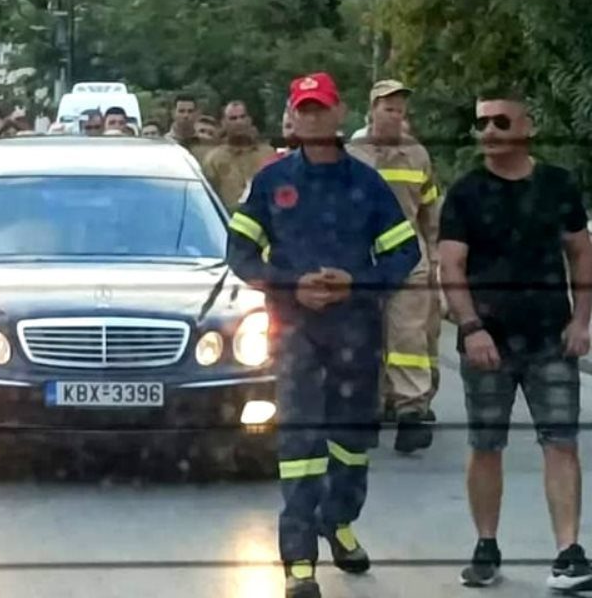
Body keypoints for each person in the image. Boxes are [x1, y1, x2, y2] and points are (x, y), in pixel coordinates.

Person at [226, 72, 420, 598]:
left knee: (352, 445)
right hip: (295, 332)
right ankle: (299, 563)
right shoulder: (270, 183)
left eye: (321, 109)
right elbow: (239, 253)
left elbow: (406, 253)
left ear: (338, 115)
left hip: (355, 330)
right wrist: (290, 285)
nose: (312, 118)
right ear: (292, 116)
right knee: (301, 442)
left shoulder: (366, 183)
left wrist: (358, 283)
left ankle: (338, 521)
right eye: (303, 109)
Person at [438, 87, 592, 591]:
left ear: (527, 127)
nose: (488, 132)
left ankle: (569, 553)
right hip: (489, 342)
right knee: (486, 446)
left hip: (550, 335)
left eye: (500, 122)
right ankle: (486, 546)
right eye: (481, 123)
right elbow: (451, 266)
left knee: (561, 443)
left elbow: (581, 254)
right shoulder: (465, 192)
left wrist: (581, 321)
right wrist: (471, 327)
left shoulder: (557, 186)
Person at [346, 80, 441, 454]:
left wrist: (435, 257)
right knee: (363, 335)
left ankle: (411, 412)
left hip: (410, 257)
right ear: (372, 110)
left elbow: (430, 210)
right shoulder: (352, 155)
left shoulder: (418, 156)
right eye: (388, 109)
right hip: (364, 257)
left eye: (401, 110)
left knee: (408, 337)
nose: (396, 116)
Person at [201, 100, 275, 212]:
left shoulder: (269, 155)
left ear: (249, 120)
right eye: (233, 118)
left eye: (242, 117)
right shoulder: (213, 159)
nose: (239, 122)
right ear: (223, 123)